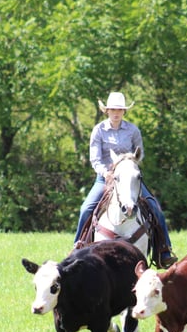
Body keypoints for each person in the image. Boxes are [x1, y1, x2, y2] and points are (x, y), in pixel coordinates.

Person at [74, 91, 177, 268]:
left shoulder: (133, 130)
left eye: (120, 109)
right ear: (106, 110)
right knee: (85, 209)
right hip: (105, 178)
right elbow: (95, 158)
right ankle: (78, 247)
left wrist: (130, 163)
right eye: (113, 109)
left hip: (129, 176)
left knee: (155, 208)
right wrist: (106, 173)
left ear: (124, 112)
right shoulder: (98, 130)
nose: (116, 113)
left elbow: (140, 153)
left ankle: (164, 250)